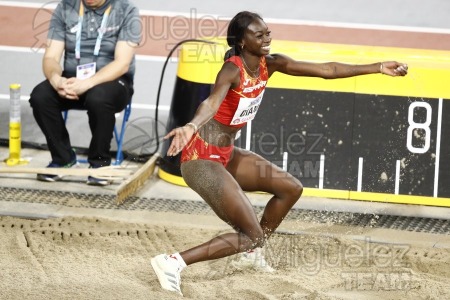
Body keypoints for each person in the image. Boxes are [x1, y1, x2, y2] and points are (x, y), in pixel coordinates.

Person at [151, 11, 408, 296]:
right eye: (258, 35)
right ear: (240, 41)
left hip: (225, 153)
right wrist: (191, 125)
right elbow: (211, 103)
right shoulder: (232, 70)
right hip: (200, 158)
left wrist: (378, 67)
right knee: (250, 234)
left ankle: (251, 253)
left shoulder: (270, 64)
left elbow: (328, 70)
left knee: (290, 189)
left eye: (268, 33)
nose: (267, 39)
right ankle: (173, 262)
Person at [29, 0, 141, 185]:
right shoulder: (66, 7)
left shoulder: (126, 10)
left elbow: (122, 64)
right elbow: (51, 57)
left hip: (112, 82)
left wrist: (88, 83)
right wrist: (57, 80)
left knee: (98, 97)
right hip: (73, 79)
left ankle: (100, 164)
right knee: (40, 96)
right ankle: (63, 159)